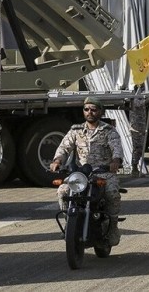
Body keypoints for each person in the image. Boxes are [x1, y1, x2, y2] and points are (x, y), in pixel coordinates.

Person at [49, 97, 124, 246]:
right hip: (81, 174)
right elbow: (64, 147)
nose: (90, 112)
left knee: (112, 193)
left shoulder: (109, 131)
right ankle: (69, 223)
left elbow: (117, 148)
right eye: (86, 109)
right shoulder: (76, 130)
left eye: (93, 109)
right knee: (63, 191)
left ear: (100, 111)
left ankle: (113, 227)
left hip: (103, 173)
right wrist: (57, 161)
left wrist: (116, 161)